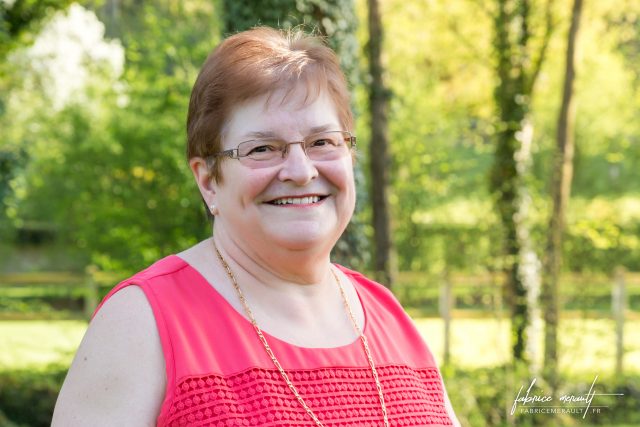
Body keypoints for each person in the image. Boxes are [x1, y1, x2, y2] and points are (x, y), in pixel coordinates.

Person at [53, 27, 460, 427]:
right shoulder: (143, 322)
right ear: (209, 180)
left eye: (322, 142)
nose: (301, 172)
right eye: (262, 149)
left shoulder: (390, 317)